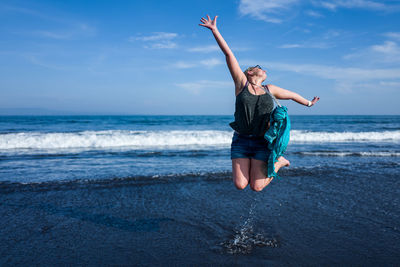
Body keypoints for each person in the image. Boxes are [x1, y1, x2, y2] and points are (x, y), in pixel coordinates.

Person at [199, 15, 320, 192]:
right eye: (258, 66)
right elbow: (228, 54)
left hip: (262, 141)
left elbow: (293, 95)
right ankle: (274, 163)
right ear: (249, 72)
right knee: (240, 185)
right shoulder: (242, 84)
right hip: (240, 140)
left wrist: (309, 103)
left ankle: (279, 163)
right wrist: (215, 30)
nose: (262, 68)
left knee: (257, 187)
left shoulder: (270, 89)